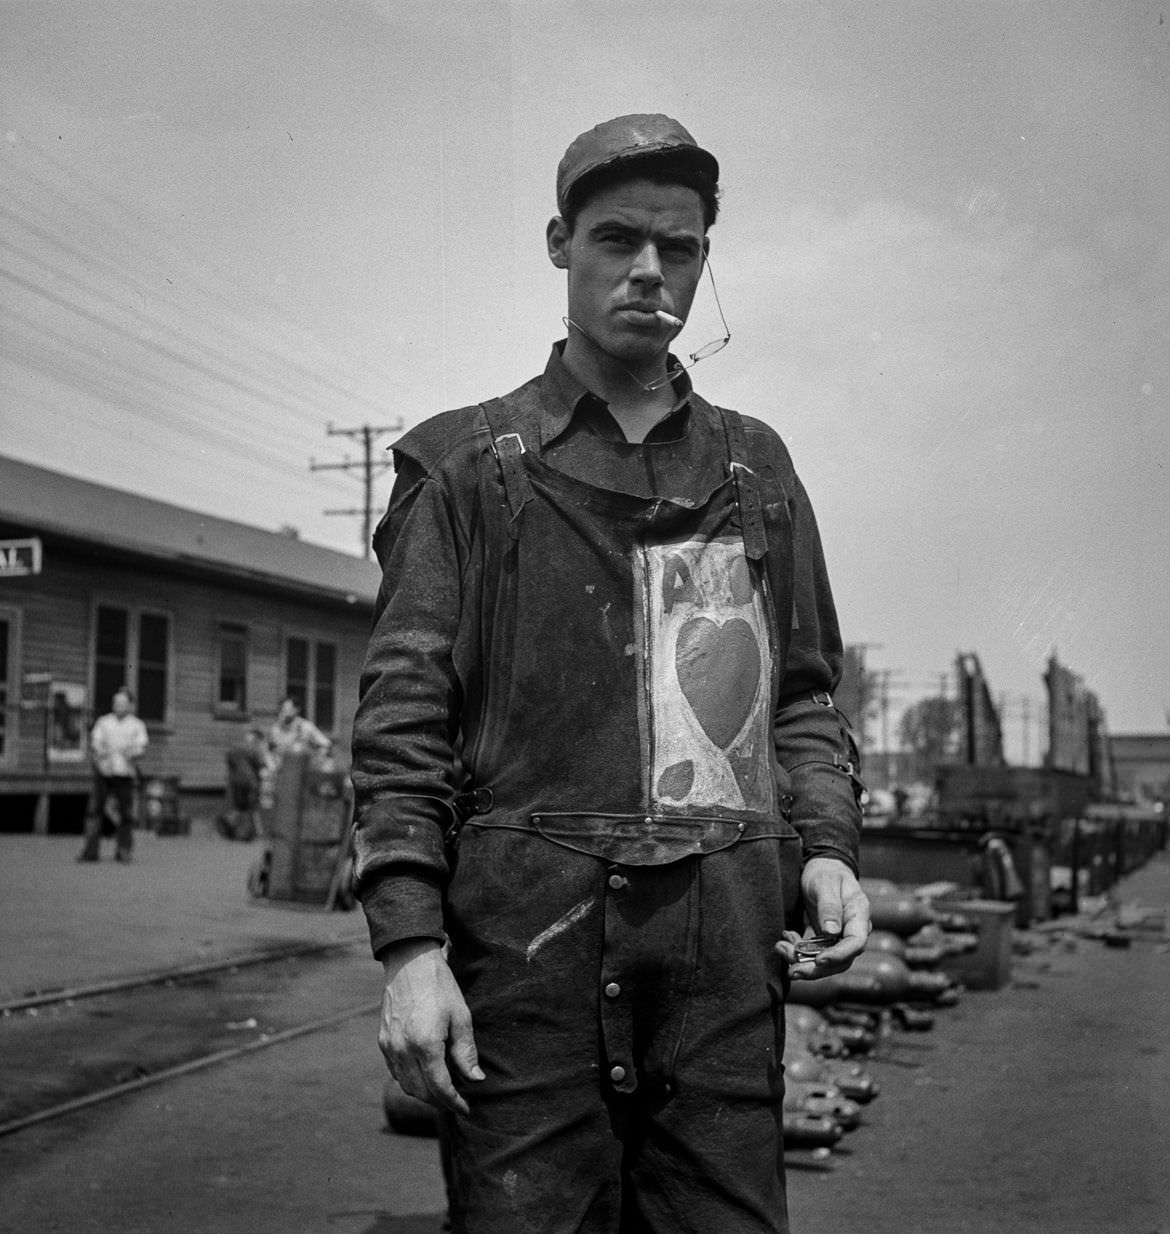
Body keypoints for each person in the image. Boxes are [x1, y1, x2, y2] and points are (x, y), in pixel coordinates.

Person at [351, 113, 870, 1233]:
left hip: (724, 967)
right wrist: (410, 947)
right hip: (527, 961)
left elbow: (806, 693)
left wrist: (827, 848)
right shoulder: (464, 470)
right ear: (559, 243)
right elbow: (404, 722)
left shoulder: (755, 466)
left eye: (678, 249)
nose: (649, 271)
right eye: (617, 239)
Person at [78, 685, 148, 863]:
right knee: (94, 811)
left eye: (123, 703)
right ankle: (90, 851)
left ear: (130, 705)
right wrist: (100, 753)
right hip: (104, 772)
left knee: (126, 813)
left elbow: (142, 747)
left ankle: (124, 850)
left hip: (124, 773)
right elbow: (96, 742)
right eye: (116, 702)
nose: (118, 705)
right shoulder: (104, 722)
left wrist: (133, 752)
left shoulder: (137, 725)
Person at [219, 725, 267, 841]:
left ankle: (230, 821)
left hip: (237, 781)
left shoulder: (235, 748)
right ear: (257, 739)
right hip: (250, 782)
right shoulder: (254, 749)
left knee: (240, 806)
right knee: (250, 807)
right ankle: (247, 832)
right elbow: (260, 765)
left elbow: (230, 762)